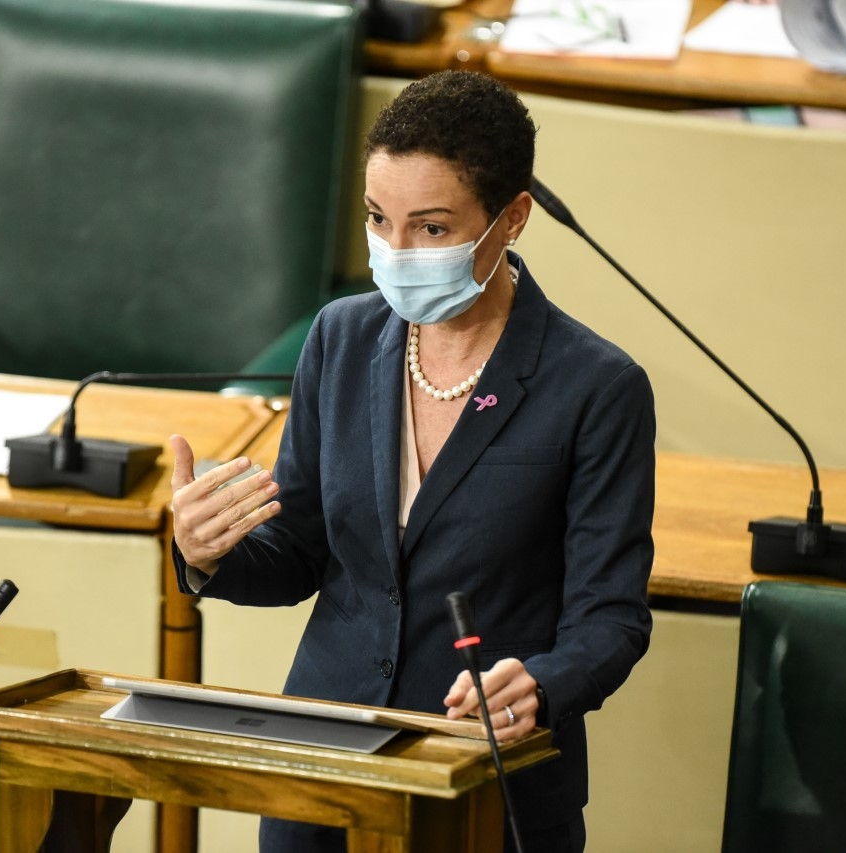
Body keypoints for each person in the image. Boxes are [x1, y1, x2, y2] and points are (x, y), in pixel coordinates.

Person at [168, 70, 655, 853]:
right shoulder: (341, 338)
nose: (395, 251)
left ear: (512, 219)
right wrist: (205, 555)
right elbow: (299, 555)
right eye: (378, 219)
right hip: (325, 762)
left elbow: (612, 616)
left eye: (430, 228)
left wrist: (542, 685)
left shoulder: (596, 386)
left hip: (487, 778)